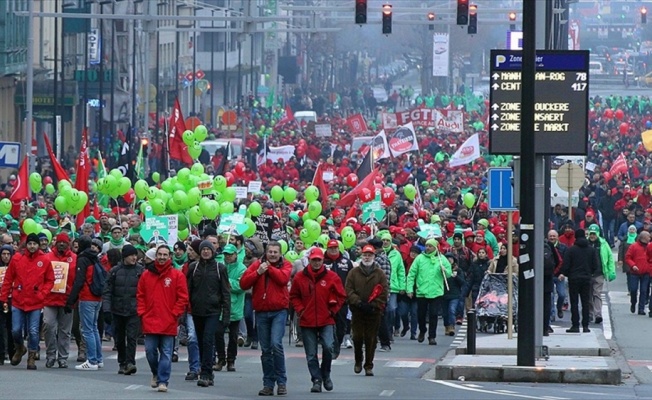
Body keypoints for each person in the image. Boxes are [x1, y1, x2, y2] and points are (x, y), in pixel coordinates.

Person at [240, 241, 292, 396]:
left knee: (276, 344)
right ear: (266, 252)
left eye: (276, 252)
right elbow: (243, 283)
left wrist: (269, 269)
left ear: (280, 253)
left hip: (279, 311)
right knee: (266, 349)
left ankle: (281, 382)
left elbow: (283, 279)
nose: (273, 255)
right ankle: (268, 383)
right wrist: (258, 273)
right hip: (262, 312)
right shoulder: (257, 265)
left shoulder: (286, 265)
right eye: (270, 252)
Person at [290, 247, 346, 393]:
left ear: (323, 260)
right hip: (307, 320)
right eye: (313, 260)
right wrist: (301, 310)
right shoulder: (300, 277)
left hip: (326, 319)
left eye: (318, 260)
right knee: (310, 354)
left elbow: (341, 296)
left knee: (328, 347)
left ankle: (325, 373)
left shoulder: (332, 277)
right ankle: (316, 379)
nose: (316, 263)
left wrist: (332, 311)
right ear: (309, 260)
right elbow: (294, 296)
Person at [137, 245, 189, 392]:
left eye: (165, 255)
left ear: (170, 257)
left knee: (166, 353)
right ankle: (155, 372)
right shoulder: (146, 275)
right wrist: (142, 312)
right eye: (159, 254)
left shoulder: (177, 275)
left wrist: (175, 314)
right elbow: (140, 295)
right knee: (150, 351)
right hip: (150, 319)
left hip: (169, 321)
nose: (162, 257)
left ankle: (163, 381)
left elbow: (183, 298)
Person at [0, 233, 54, 369]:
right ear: (26, 245)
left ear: (38, 245)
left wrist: (43, 294)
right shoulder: (17, 259)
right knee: (16, 330)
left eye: (34, 244)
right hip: (18, 300)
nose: (32, 246)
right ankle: (20, 348)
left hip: (36, 302)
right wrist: (3, 298)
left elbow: (50, 280)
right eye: (30, 244)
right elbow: (8, 279)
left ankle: (31, 357)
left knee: (34, 331)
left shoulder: (45, 260)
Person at [187, 240, 230, 387]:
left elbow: (226, 293)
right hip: (197, 310)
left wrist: (226, 314)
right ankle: (208, 371)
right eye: (203, 249)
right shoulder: (193, 267)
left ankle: (205, 373)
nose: (206, 251)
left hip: (213, 311)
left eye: (208, 249)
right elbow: (188, 290)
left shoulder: (220, 268)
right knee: (200, 341)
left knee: (207, 340)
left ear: (213, 251)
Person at [345, 244, 389, 377]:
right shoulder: (354, 272)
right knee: (357, 337)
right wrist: (357, 302)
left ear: (374, 257)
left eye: (370, 255)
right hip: (358, 310)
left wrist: (375, 304)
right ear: (361, 256)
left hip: (374, 311)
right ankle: (358, 360)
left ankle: (368, 365)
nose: (367, 257)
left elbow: (384, 291)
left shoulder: (379, 273)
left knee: (371, 339)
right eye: (365, 255)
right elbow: (349, 289)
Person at [102, 244, 145, 375]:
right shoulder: (115, 271)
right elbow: (107, 291)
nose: (134, 257)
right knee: (119, 338)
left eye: (135, 255)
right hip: (117, 309)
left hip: (134, 310)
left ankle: (130, 362)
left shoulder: (141, 271)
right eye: (131, 255)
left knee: (132, 337)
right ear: (125, 257)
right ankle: (122, 362)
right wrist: (107, 310)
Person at [66, 235, 104, 371]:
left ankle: (92, 360)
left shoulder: (82, 259)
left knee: (87, 330)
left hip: (87, 296)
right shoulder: (95, 257)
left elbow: (79, 280)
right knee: (94, 328)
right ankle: (98, 359)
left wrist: (71, 300)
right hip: (97, 296)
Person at [406, 238, 452, 345]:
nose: (427, 248)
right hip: (421, 291)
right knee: (421, 315)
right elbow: (411, 274)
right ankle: (422, 330)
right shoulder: (419, 259)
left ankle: (432, 336)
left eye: (430, 246)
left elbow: (449, 274)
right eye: (426, 246)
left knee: (433, 314)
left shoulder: (442, 259)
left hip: (436, 292)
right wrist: (409, 289)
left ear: (435, 247)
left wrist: (444, 270)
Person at [43, 233, 77, 368]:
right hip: (50, 299)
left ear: (68, 244)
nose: (62, 244)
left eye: (64, 242)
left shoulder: (74, 259)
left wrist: (73, 297)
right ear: (56, 243)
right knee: (48, 326)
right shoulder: (48, 257)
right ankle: (51, 354)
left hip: (67, 300)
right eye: (59, 242)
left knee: (65, 331)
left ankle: (63, 357)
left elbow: (77, 279)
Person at [559, 229, 600, 333]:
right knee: (585, 302)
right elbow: (596, 265)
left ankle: (575, 325)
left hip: (574, 278)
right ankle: (585, 325)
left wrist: (566, 273)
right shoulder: (591, 250)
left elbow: (566, 265)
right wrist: (590, 273)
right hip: (586, 278)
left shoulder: (571, 250)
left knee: (574, 302)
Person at [215, 244, 246, 373]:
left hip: (235, 307)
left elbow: (241, 285)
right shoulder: (220, 266)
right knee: (218, 334)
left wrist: (225, 282)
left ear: (236, 255)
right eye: (226, 254)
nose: (228, 257)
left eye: (230, 254)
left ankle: (231, 360)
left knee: (233, 336)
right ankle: (221, 358)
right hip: (221, 306)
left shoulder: (242, 268)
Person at [322, 239, 353, 357]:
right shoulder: (322, 261)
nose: (333, 250)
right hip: (325, 299)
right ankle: (329, 346)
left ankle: (337, 345)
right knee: (326, 324)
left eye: (335, 248)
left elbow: (351, 280)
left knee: (341, 325)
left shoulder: (346, 262)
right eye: (331, 248)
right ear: (327, 249)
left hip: (342, 300)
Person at [586, 224, 616, 324]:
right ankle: (589, 313)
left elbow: (610, 258)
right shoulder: (585, 243)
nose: (592, 236)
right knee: (588, 294)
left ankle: (598, 314)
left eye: (594, 234)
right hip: (587, 273)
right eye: (591, 234)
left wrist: (611, 271)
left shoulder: (603, 244)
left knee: (597, 293)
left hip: (599, 273)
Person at [624, 231, 652, 315]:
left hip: (646, 272)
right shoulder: (634, 246)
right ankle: (633, 303)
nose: (650, 238)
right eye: (648, 237)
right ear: (643, 238)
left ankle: (641, 309)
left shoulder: (649, 247)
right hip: (635, 272)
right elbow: (628, 257)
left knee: (644, 291)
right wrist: (633, 265)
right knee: (633, 289)